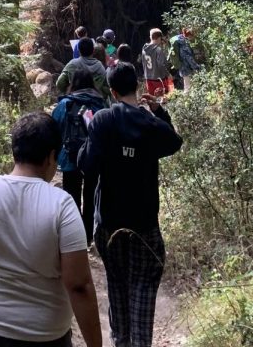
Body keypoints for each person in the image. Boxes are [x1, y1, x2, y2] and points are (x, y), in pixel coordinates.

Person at [0, 111, 103, 347]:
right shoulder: (62, 205)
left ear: (14, 152)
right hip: (47, 335)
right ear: (51, 157)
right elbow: (78, 285)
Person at [77, 63, 181, 347]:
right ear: (136, 86)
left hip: (110, 223)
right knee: (143, 288)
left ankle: (121, 341)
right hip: (145, 223)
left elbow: (87, 166)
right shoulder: (149, 123)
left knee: (117, 285)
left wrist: (90, 136)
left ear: (111, 91)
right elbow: (174, 143)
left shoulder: (102, 120)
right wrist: (160, 112)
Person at [52, 70, 106, 244]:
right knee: (91, 197)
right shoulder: (100, 104)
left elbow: (55, 127)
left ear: (73, 84)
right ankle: (89, 236)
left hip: (70, 158)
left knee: (72, 198)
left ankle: (74, 238)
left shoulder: (65, 104)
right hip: (94, 159)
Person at [56, 37, 111, 103]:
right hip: (95, 103)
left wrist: (68, 90)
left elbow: (60, 83)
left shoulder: (72, 64)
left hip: (75, 101)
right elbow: (107, 88)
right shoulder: (100, 66)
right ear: (93, 50)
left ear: (79, 51)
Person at [140, 28, 172, 98]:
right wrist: (168, 74)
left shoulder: (144, 48)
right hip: (159, 79)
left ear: (150, 37)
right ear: (159, 38)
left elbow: (143, 62)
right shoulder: (158, 50)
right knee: (162, 99)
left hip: (148, 79)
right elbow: (161, 65)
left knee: (153, 100)